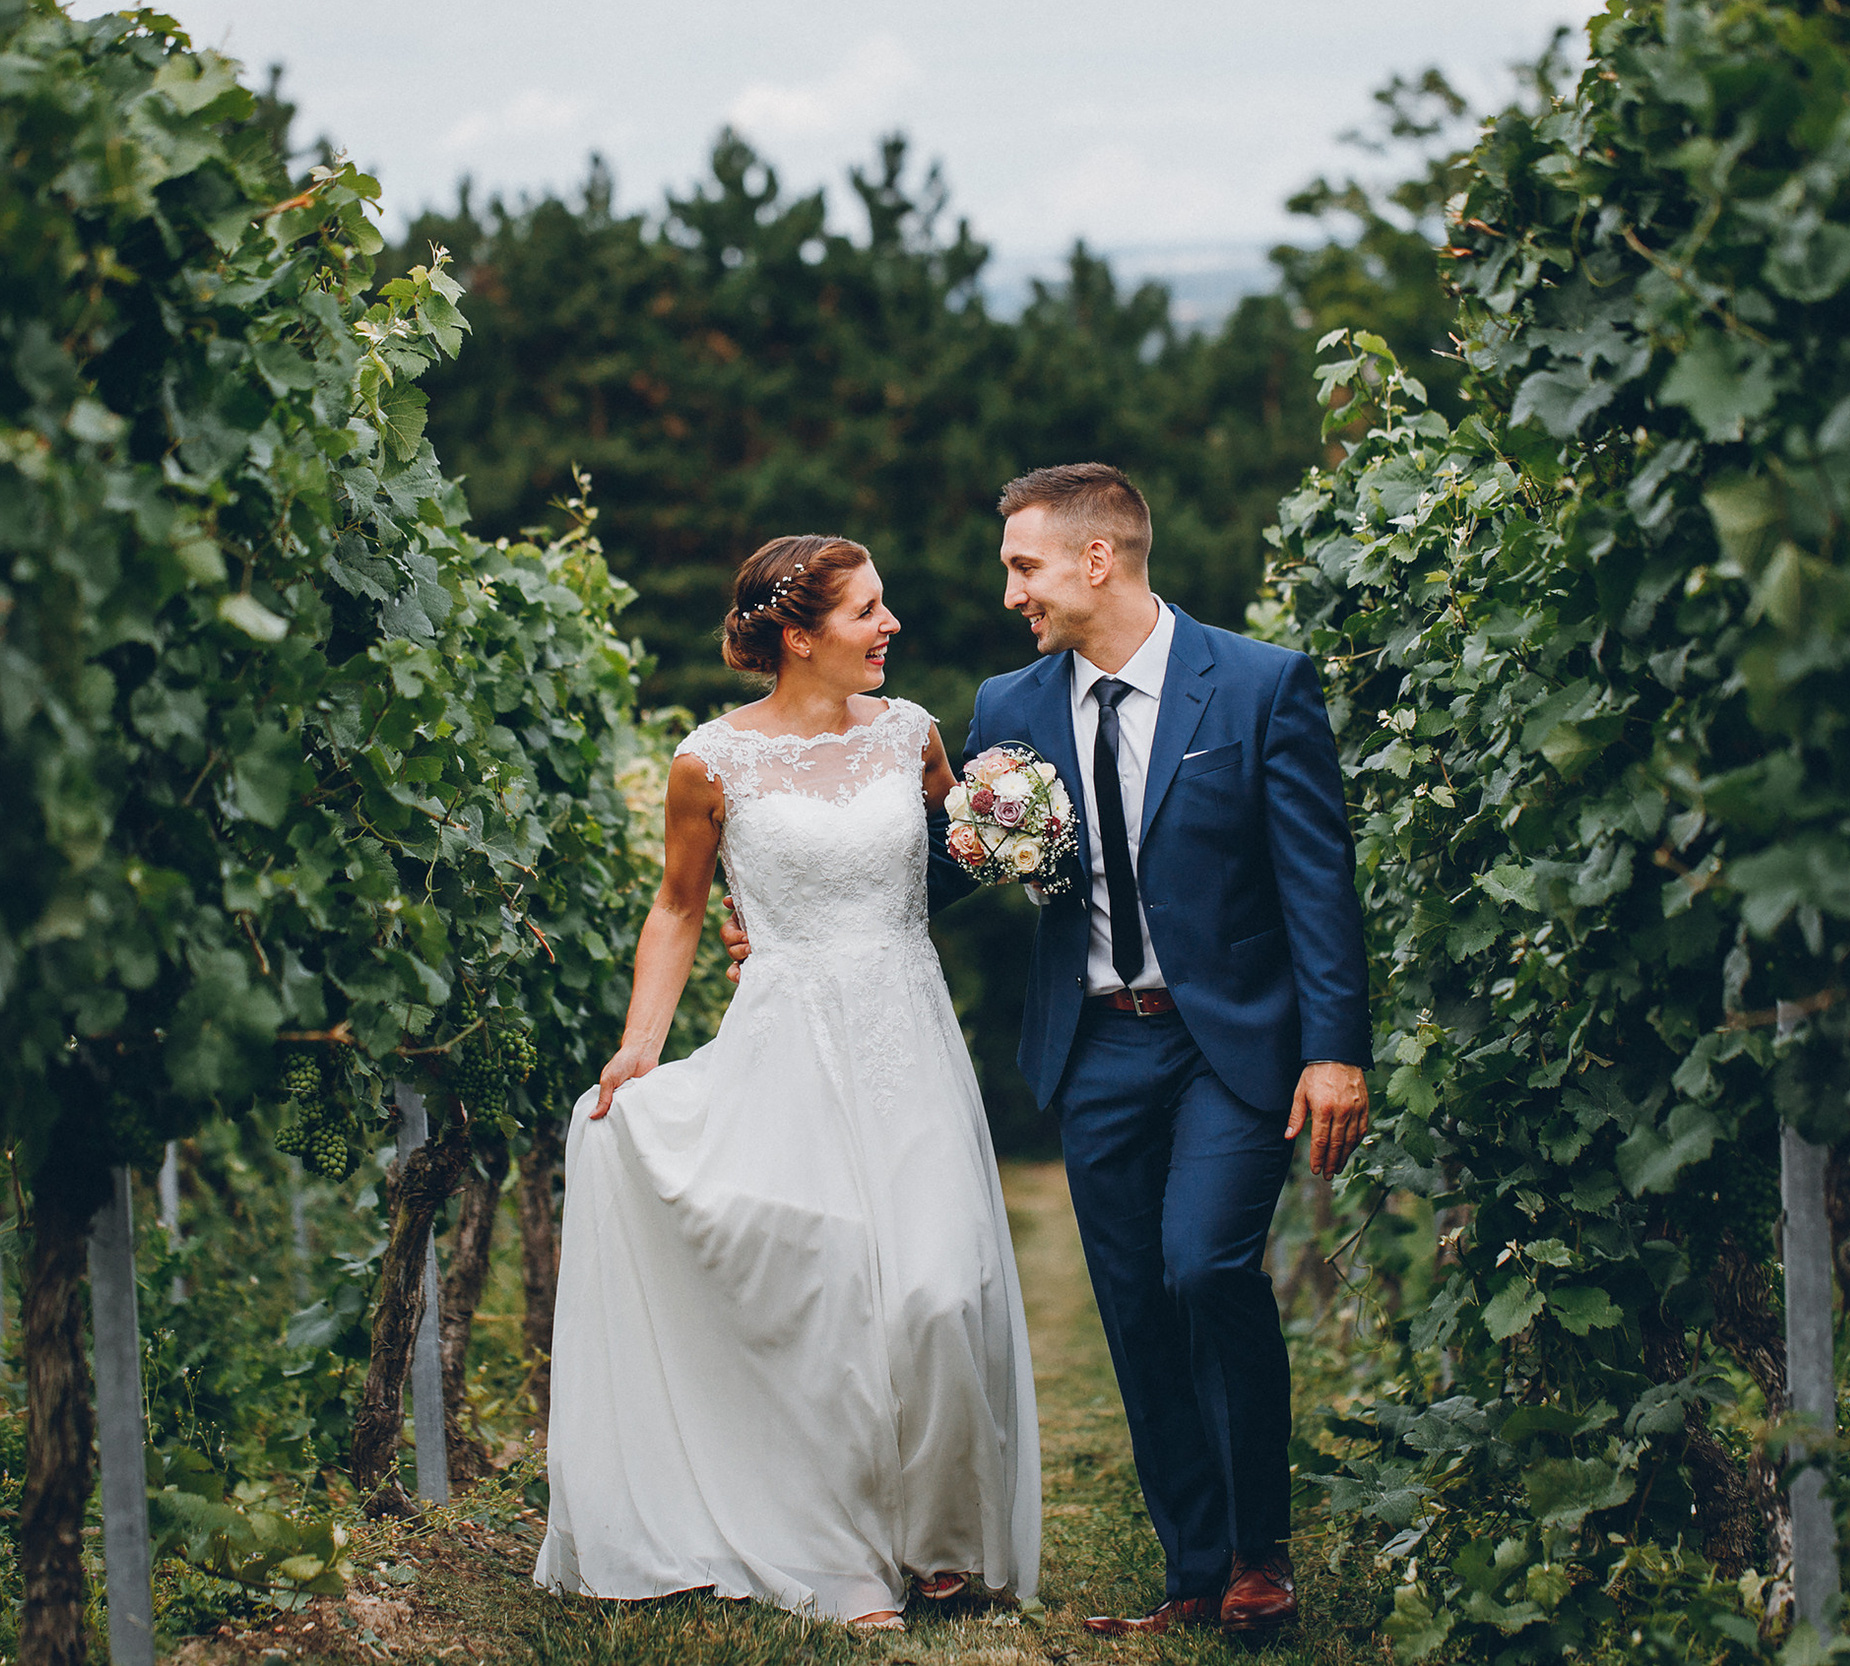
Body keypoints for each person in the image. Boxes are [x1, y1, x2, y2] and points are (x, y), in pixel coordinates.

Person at [724, 464, 1371, 1644]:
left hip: (1227, 1041)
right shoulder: (1009, 705)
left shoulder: (1259, 685)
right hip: (1094, 1050)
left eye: (1022, 565)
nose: (1007, 589)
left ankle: (1259, 1550)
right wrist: (783, 916)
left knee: (1204, 1268)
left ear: (1094, 560)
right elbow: (949, 857)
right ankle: (1191, 1570)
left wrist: (1333, 1050)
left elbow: (1317, 881)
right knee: (1130, 1303)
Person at [533, 534, 1041, 1632]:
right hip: (787, 1037)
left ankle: (946, 1542)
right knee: (831, 1301)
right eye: (867, 610)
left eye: (884, 602)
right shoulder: (710, 761)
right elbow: (676, 907)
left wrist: (1017, 826)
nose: (890, 623)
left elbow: (952, 852)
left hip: (906, 1032)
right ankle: (840, 1552)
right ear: (798, 636)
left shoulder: (912, 735)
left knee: (938, 1289)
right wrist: (640, 1043)